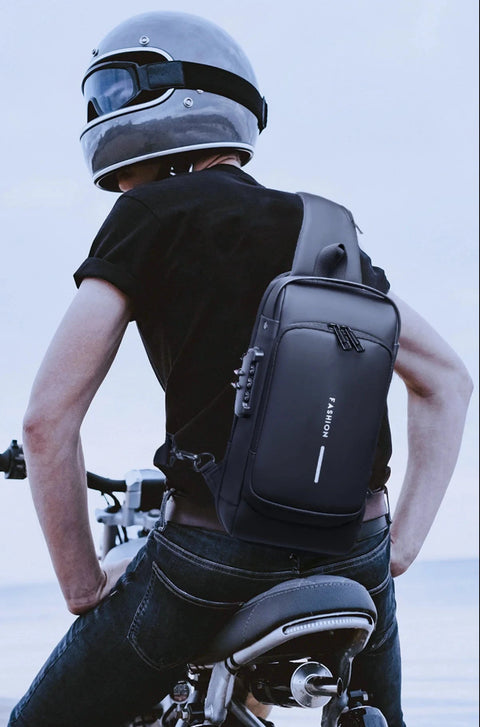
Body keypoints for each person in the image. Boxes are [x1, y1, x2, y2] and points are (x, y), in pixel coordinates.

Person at [9, 11, 472, 727]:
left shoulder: (150, 214)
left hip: (214, 551)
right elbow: (447, 379)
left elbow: (47, 421)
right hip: (356, 556)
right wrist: (399, 545)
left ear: (164, 103)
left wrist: (80, 584)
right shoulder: (326, 226)